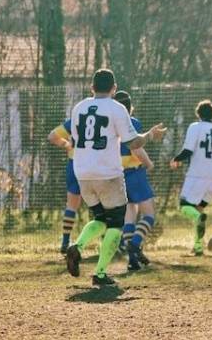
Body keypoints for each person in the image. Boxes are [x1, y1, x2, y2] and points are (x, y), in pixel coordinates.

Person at [65, 69, 166, 286]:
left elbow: (75, 141)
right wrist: (150, 135)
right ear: (114, 88)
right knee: (116, 224)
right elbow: (133, 143)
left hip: (82, 173)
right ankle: (100, 274)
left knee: (100, 219)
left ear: (91, 87)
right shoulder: (117, 108)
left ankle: (77, 246)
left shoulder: (78, 107)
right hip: (108, 174)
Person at [170, 100, 212, 256]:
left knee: (184, 206)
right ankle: (198, 246)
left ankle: (199, 229)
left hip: (198, 174)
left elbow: (188, 150)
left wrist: (176, 159)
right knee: (198, 208)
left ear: (198, 113)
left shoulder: (195, 127)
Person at [113, 91, 156, 271]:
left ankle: (132, 259)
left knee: (129, 214)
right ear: (130, 107)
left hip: (118, 175)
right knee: (149, 215)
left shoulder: (110, 124)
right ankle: (136, 243)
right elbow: (136, 149)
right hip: (134, 173)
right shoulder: (132, 122)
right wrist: (149, 163)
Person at [48, 119, 82, 254]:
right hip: (93, 165)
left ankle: (65, 242)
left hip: (74, 165)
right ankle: (107, 242)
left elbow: (52, 136)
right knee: (102, 205)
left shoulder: (75, 121)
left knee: (71, 205)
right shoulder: (103, 117)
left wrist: (67, 145)